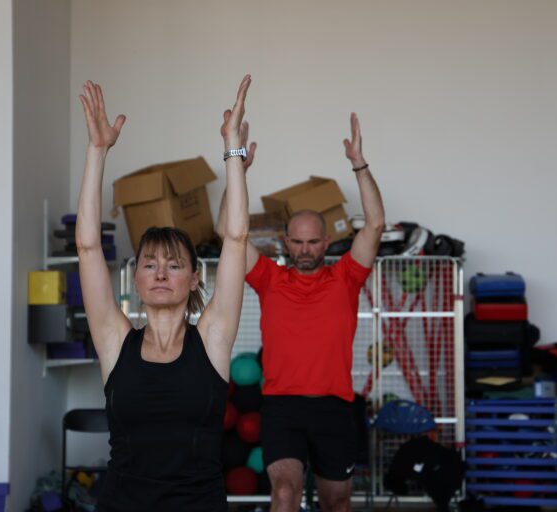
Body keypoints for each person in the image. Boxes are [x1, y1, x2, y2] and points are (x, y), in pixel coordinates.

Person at [76, 75, 252, 511]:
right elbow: (87, 246)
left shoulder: (212, 339)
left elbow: (235, 239)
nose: (159, 274)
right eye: (149, 265)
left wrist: (232, 151)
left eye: (174, 265)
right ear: (135, 279)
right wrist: (97, 153)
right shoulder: (115, 342)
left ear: (194, 278)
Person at [215, 113, 385, 512]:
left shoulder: (346, 277)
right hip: (282, 406)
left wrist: (358, 164)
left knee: (337, 500)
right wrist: (236, 167)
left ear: (326, 241)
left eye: (313, 242)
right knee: (286, 494)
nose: (305, 249)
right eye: (298, 242)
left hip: (334, 407)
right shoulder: (269, 278)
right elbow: (226, 231)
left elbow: (375, 225)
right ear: (285, 242)